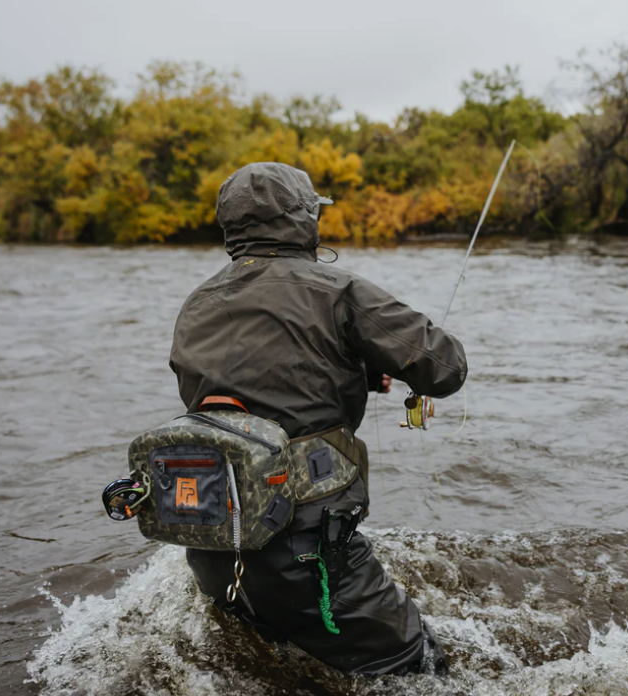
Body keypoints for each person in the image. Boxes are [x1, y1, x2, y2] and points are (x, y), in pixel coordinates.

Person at [168, 162, 467, 676]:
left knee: (270, 669)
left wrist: (356, 370)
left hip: (214, 544)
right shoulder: (337, 290)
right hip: (307, 548)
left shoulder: (196, 304)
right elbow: (444, 368)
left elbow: (245, 395)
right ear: (305, 218)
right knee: (419, 671)